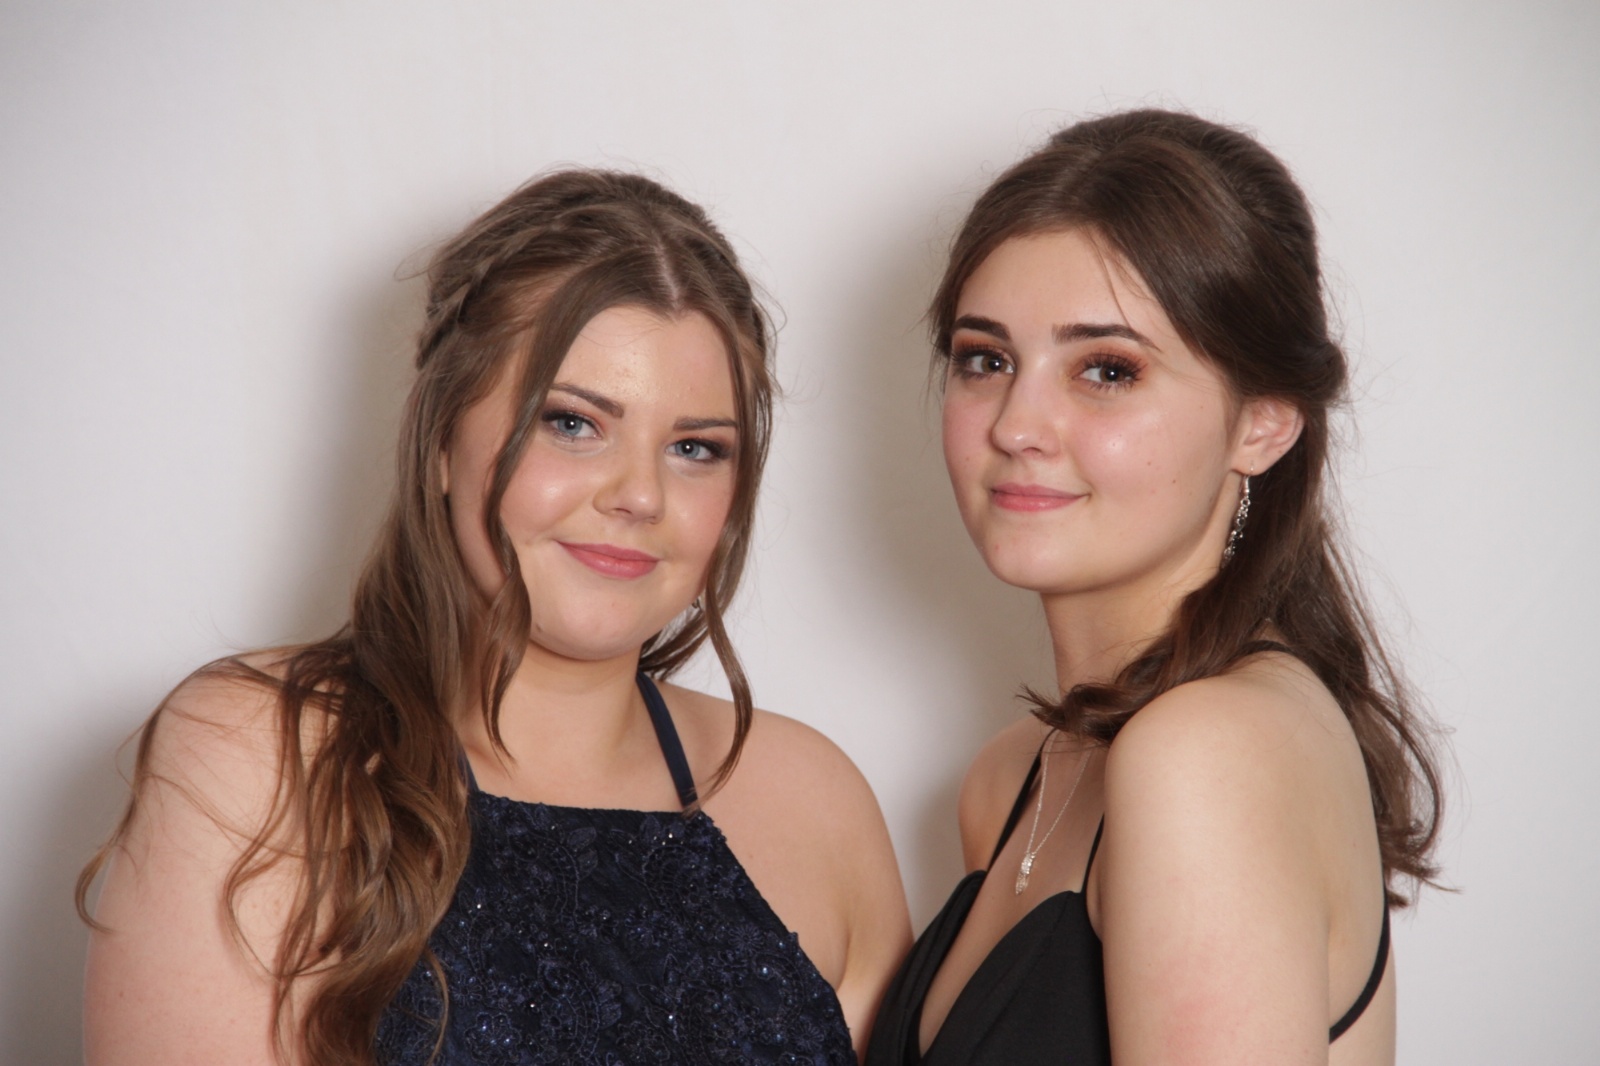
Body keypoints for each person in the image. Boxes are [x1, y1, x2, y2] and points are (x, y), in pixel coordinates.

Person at [80, 169, 910, 1066]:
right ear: (440, 439)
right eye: (572, 424)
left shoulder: (815, 800)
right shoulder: (262, 756)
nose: (640, 494)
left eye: (694, 448)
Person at [867, 110, 1444, 1065]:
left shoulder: (1204, 751)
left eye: (1106, 369)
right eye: (986, 359)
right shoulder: (1014, 779)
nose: (1016, 425)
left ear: (1263, 424)